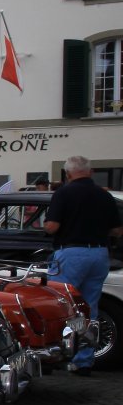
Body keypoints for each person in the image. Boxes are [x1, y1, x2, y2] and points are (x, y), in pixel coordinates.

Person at [44, 155, 122, 375]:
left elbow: (52, 226)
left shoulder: (63, 193)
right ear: (91, 172)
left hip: (71, 253)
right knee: (90, 307)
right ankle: (84, 360)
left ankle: (57, 354)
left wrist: (48, 225)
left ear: (68, 174)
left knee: (60, 305)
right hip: (99, 253)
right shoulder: (104, 195)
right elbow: (117, 231)